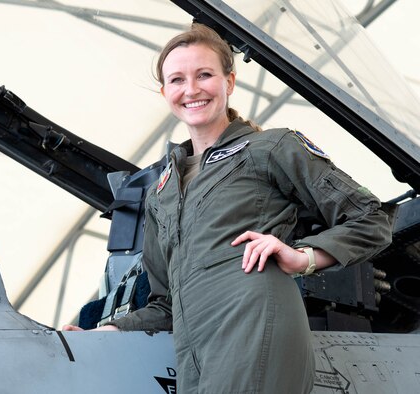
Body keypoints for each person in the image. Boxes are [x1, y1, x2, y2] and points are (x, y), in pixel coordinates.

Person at [64, 23, 393, 393]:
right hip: (194, 354)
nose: (191, 89)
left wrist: (305, 258)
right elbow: (165, 305)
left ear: (229, 82)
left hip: (254, 325)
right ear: (165, 92)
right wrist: (108, 330)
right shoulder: (160, 192)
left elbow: (370, 219)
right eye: (177, 80)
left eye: (204, 75)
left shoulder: (271, 148)